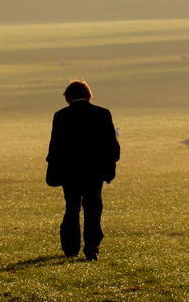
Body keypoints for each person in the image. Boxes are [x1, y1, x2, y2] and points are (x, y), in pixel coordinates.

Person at [45, 80, 120, 260]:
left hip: (69, 172)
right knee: (93, 207)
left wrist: (54, 169)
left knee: (72, 207)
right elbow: (111, 145)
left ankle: (70, 247)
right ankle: (92, 245)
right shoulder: (102, 114)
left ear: (68, 98)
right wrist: (110, 166)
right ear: (88, 95)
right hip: (95, 171)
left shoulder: (61, 116)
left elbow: (55, 146)